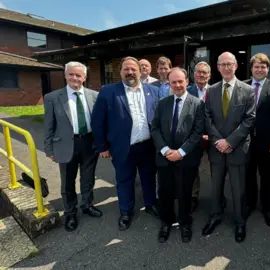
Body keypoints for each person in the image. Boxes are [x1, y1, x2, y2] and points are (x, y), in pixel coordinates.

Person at [91, 56, 165, 231]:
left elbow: (158, 118)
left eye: (134, 69)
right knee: (124, 180)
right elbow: (98, 122)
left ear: (140, 71)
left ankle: (150, 204)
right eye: (126, 69)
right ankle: (126, 211)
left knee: (149, 178)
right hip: (122, 147)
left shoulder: (152, 91)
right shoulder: (108, 91)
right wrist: (102, 147)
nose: (130, 72)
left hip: (148, 146)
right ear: (121, 72)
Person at [201, 52, 255, 243]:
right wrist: (218, 141)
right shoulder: (212, 90)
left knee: (238, 188)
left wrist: (230, 142)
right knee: (215, 187)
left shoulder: (247, 90)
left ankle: (240, 221)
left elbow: (249, 120)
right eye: (222, 64)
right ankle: (215, 215)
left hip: (237, 149)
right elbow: (207, 117)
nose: (226, 67)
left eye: (229, 64)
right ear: (217, 67)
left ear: (235, 66)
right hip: (217, 148)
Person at [43, 61, 102, 232]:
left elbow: (99, 122)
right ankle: (70, 213)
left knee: (88, 178)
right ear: (65, 75)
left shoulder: (94, 96)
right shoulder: (53, 98)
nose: (75, 78)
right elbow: (48, 125)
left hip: (89, 143)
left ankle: (87, 205)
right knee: (67, 182)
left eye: (78, 75)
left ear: (84, 77)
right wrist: (49, 149)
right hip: (65, 144)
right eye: (71, 74)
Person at [151, 67, 205, 243]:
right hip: (165, 158)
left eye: (180, 81)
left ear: (187, 82)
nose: (177, 85)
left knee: (184, 193)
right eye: (173, 82)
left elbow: (197, 132)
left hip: (186, 158)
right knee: (165, 192)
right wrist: (165, 150)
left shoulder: (197, 104)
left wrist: (181, 152)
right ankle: (166, 222)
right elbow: (155, 128)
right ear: (169, 84)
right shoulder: (162, 103)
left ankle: (185, 223)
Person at [244, 53, 270, 227]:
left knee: (267, 177)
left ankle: (267, 209)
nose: (260, 69)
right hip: (245, 141)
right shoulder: (243, 86)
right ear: (251, 68)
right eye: (256, 66)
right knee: (248, 175)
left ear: (267, 69)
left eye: (263, 66)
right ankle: (250, 204)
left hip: (267, 142)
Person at [187, 61, 210, 212]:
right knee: (193, 167)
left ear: (209, 75)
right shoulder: (187, 90)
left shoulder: (216, 90)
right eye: (198, 72)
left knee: (218, 168)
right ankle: (193, 196)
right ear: (194, 74)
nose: (201, 75)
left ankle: (218, 196)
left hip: (213, 137)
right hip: (194, 137)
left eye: (204, 72)